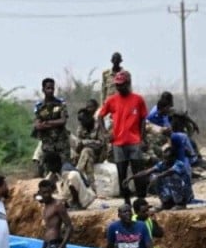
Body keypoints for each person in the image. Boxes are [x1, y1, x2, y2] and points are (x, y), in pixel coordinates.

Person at [95, 71, 149, 203]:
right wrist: (105, 134)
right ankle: (126, 201)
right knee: (121, 173)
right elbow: (100, 116)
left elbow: (143, 119)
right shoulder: (111, 100)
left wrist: (142, 138)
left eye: (122, 85)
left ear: (128, 84)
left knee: (138, 172)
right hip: (118, 143)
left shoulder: (138, 99)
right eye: (117, 85)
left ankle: (141, 199)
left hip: (134, 141)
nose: (119, 87)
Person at [126, 130, 193, 209]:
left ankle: (181, 203)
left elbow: (169, 172)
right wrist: (131, 178)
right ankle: (167, 202)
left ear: (173, 158)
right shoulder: (163, 164)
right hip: (171, 190)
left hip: (183, 191)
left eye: (168, 159)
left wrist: (157, 177)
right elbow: (147, 172)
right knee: (155, 176)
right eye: (164, 158)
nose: (165, 160)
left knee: (169, 178)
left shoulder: (179, 164)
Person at [33, 78, 70, 175]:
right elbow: (37, 126)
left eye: (52, 88)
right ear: (43, 90)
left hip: (61, 142)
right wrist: (53, 123)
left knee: (65, 168)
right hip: (47, 143)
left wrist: (47, 123)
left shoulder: (60, 102)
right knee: (49, 170)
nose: (50, 90)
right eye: (48, 88)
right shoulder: (39, 106)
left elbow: (63, 121)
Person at [72, 105, 106, 181]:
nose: (82, 122)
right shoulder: (81, 127)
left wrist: (85, 142)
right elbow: (78, 144)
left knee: (86, 150)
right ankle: (91, 184)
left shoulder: (98, 126)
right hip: (86, 155)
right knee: (87, 160)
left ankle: (78, 173)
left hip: (99, 154)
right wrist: (79, 146)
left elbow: (101, 144)